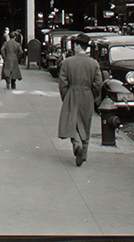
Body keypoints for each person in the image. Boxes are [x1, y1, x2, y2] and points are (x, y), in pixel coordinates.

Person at [57, 33, 102, 167]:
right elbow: (98, 83)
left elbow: (63, 83)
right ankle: (85, 152)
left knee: (72, 122)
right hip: (87, 94)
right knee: (85, 122)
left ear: (77, 46)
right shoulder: (94, 63)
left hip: (72, 93)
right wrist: (92, 96)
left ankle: (76, 143)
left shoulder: (67, 62)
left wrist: (66, 96)